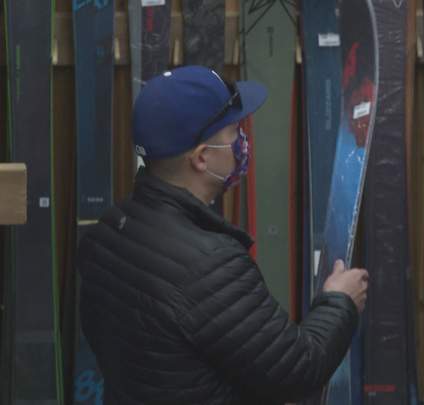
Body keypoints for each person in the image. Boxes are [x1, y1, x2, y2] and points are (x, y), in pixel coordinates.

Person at [77, 66, 369, 404]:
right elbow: (298, 371)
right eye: (234, 132)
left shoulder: (108, 233)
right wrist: (340, 301)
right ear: (201, 158)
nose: (242, 142)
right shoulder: (210, 265)